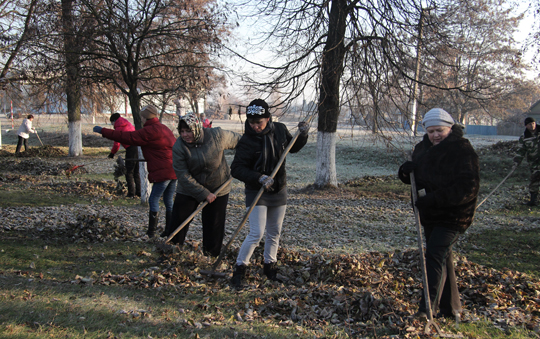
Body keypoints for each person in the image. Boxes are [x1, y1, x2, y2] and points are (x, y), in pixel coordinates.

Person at [398, 108, 480, 321]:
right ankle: (452, 309)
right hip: (430, 214)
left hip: (454, 215)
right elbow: (418, 179)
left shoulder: (462, 150)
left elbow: (468, 188)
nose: (435, 135)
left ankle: (427, 310)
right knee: (443, 258)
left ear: (450, 128)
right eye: (431, 130)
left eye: (440, 130)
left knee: (434, 256)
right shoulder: (421, 148)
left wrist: (434, 199)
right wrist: (405, 172)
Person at [229, 99, 309, 287]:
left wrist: (303, 135)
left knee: (274, 232)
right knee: (256, 233)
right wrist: (259, 177)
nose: (255, 127)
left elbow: (293, 147)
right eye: (251, 123)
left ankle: (269, 267)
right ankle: (240, 269)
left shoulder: (280, 130)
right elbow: (236, 169)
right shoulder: (246, 141)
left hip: (279, 189)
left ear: (268, 118)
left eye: (259, 123)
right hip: (257, 191)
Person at [93, 105, 177, 238]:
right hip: (173, 170)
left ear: (145, 117)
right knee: (168, 200)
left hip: (163, 172)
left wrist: (103, 131)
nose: (141, 119)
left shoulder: (149, 131)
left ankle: (151, 232)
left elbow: (126, 137)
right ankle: (170, 230)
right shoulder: (164, 128)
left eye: (142, 116)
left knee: (153, 199)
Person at [164, 113, 241, 256]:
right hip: (189, 188)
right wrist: (204, 193)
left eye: (188, 130)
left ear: (197, 127)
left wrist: (243, 162)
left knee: (214, 224)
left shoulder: (217, 135)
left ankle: (211, 255)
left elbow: (240, 142)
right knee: (179, 219)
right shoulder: (179, 147)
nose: (185, 135)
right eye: (182, 131)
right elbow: (183, 175)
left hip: (218, 186)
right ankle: (172, 251)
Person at [108, 113, 141, 198]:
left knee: (129, 172)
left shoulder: (118, 127)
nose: (112, 125)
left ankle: (131, 193)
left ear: (114, 121)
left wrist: (112, 153)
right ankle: (139, 192)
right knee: (136, 172)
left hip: (131, 149)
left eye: (112, 123)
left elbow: (116, 144)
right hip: (138, 147)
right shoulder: (127, 123)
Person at [513, 117, 540, 206]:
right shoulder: (524, 137)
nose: (532, 126)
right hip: (534, 162)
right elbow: (521, 151)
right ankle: (533, 200)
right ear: (526, 126)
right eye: (529, 124)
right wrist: (516, 162)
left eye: (533, 123)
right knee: (535, 180)